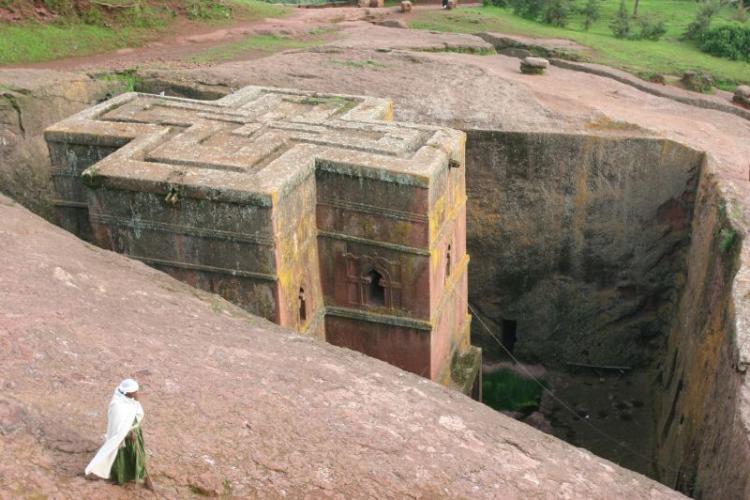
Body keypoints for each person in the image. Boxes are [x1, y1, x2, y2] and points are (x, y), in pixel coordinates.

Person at [85, 379, 154, 491]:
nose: (137, 394)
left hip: (135, 433)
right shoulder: (117, 405)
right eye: (134, 392)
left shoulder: (131, 400)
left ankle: (134, 473)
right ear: (127, 393)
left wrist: (133, 429)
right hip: (125, 438)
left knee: (136, 455)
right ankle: (121, 476)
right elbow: (116, 428)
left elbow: (136, 414)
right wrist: (127, 434)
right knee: (122, 456)